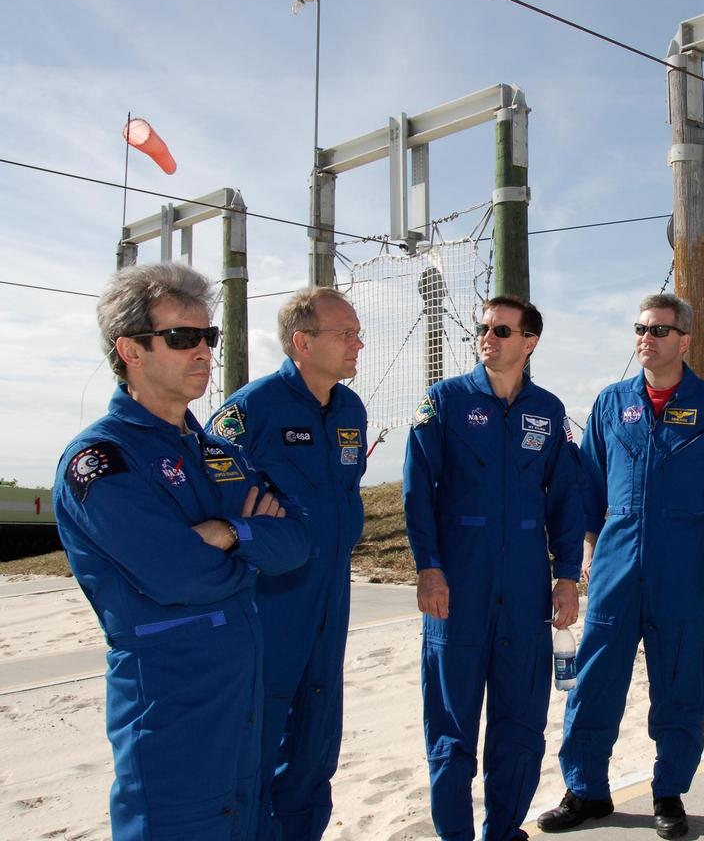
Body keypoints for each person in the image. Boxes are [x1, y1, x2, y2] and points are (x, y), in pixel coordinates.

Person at [52, 262, 310, 840]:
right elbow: (177, 574)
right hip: (171, 709)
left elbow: (295, 541)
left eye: (208, 337)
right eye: (181, 337)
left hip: (241, 701)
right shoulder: (101, 461)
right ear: (131, 351)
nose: (203, 352)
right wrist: (248, 551)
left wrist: (227, 534)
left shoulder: (218, 451)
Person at [538, 294, 704, 840]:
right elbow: (587, 483)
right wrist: (587, 549)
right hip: (616, 554)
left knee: (681, 676)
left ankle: (669, 791)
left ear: (684, 339)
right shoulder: (613, 402)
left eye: (659, 330)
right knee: (596, 676)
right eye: (640, 328)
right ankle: (585, 789)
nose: (646, 338)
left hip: (683, 557)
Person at [403, 295, 584, 841]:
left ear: (529, 342)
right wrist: (428, 568)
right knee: (452, 727)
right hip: (458, 587)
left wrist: (568, 575)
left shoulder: (548, 412)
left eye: (502, 330)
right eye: (484, 328)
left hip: (525, 590)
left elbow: (566, 499)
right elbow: (416, 493)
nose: (488, 337)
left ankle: (503, 831)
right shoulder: (446, 401)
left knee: (521, 724)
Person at [207, 287, 368, 839]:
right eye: (345, 333)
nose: (358, 344)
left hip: (331, 595)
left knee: (317, 738)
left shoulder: (350, 409)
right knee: (260, 738)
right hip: (272, 596)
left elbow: (344, 493)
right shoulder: (251, 409)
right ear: (302, 342)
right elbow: (218, 498)